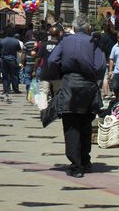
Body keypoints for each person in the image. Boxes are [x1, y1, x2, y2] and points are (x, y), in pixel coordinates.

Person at [43, 17, 106, 178]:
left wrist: (58, 76)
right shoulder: (93, 42)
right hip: (88, 86)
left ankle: (76, 165)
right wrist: (94, 80)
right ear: (87, 28)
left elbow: (52, 60)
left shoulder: (65, 42)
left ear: (74, 27)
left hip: (69, 84)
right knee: (85, 124)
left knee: (71, 126)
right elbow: (100, 65)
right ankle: (85, 160)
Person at [0, 28, 22, 95]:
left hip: (4, 59)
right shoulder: (16, 41)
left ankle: (6, 89)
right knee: (14, 75)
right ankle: (16, 89)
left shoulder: (2, 41)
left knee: (5, 75)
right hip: (13, 59)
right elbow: (19, 50)